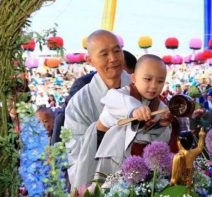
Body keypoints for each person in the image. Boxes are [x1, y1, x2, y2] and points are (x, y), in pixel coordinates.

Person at [64, 29, 131, 188]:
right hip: (101, 184)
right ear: (90, 60)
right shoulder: (79, 103)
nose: (113, 58)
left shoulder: (140, 88)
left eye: (117, 51)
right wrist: (99, 129)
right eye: (104, 54)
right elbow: (75, 154)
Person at [94, 54, 172, 179]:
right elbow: (112, 99)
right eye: (148, 79)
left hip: (143, 163)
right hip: (115, 159)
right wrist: (134, 110)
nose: (153, 86)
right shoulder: (121, 95)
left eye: (160, 81)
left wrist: (161, 125)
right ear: (134, 78)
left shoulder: (161, 107)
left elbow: (160, 141)